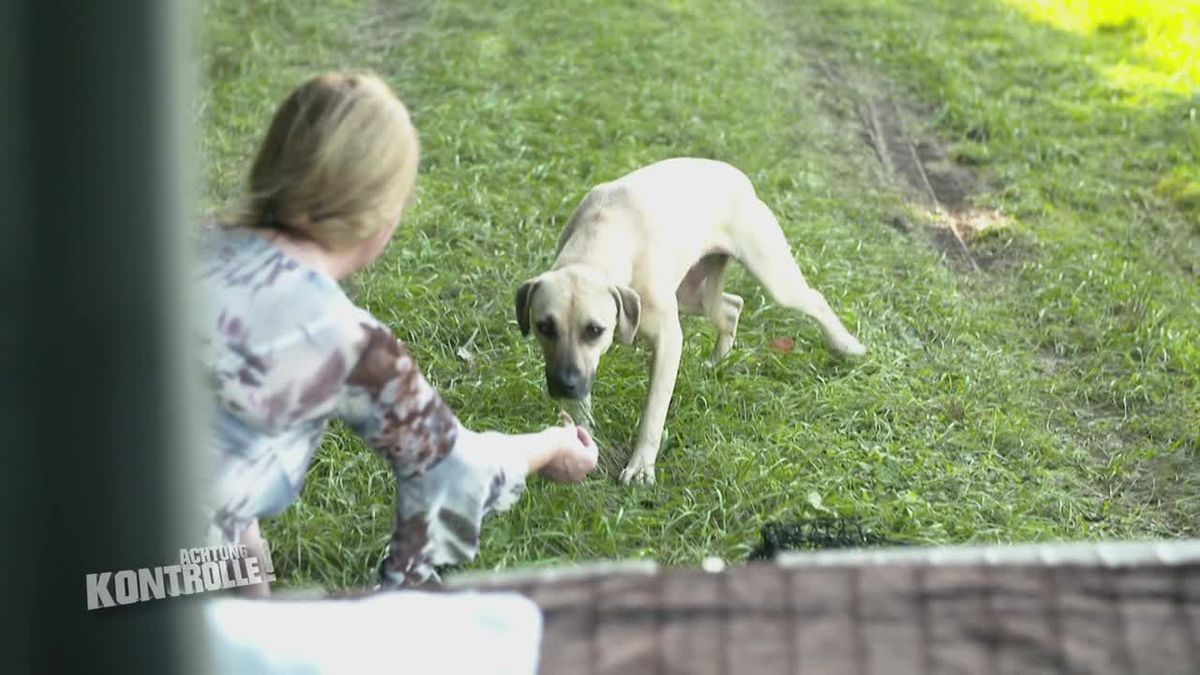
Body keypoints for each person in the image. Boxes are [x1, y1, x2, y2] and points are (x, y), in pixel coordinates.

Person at [194, 71, 598, 593]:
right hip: (121, 590)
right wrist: (550, 446)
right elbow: (458, 470)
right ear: (383, 214)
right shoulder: (344, 341)